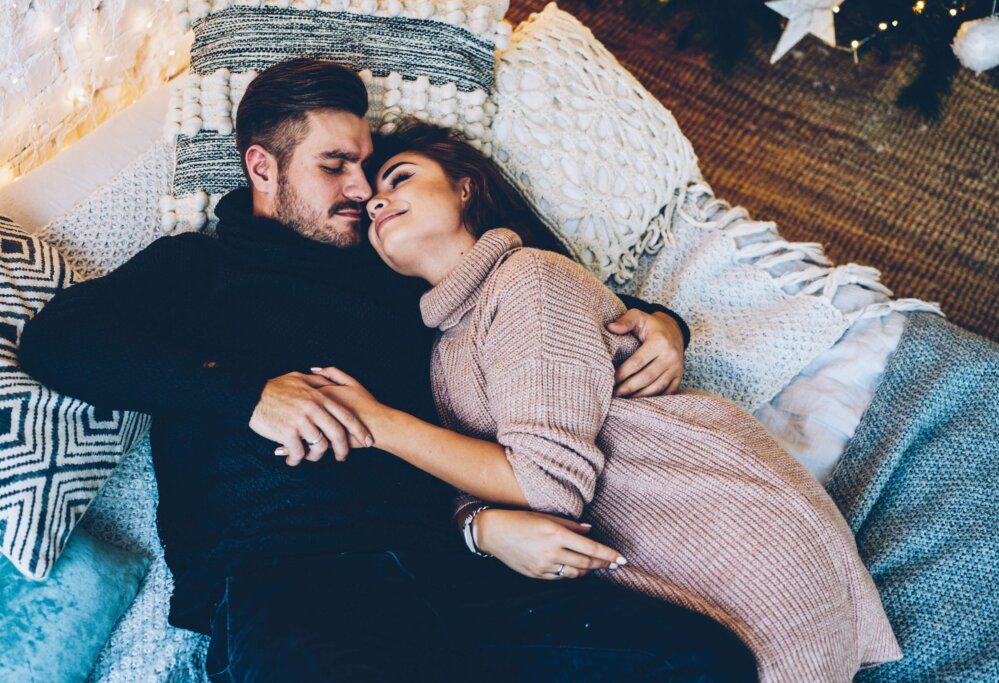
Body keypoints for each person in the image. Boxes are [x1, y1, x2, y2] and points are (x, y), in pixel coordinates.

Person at [17, 58, 757, 681]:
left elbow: (526, 286)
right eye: (334, 165)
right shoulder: (198, 267)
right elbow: (57, 342)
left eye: (367, 168)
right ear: (262, 167)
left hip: (461, 563)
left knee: (706, 660)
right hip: (290, 580)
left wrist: (663, 322)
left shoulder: (396, 266)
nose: (362, 190)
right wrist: (248, 396)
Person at [288, 121, 903, 682]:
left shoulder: (526, 278)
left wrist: (377, 424)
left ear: (466, 189)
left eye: (400, 178)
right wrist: (475, 526)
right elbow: (492, 476)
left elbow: (544, 488)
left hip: (733, 535)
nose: (375, 200)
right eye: (370, 204)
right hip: (671, 554)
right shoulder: (447, 343)